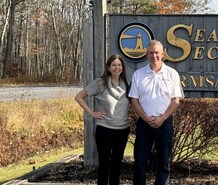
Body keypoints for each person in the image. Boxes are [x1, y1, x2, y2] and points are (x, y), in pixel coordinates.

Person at [129, 40, 184, 185]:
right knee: (140, 162)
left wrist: (162, 118)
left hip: (164, 123)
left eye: (157, 53)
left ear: (163, 54)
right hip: (144, 123)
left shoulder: (172, 74)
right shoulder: (138, 74)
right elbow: (134, 101)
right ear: (146, 55)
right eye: (151, 53)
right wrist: (146, 118)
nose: (154, 56)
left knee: (164, 163)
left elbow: (176, 101)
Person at [75, 54, 131, 185]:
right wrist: (92, 113)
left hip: (122, 130)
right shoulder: (100, 83)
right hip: (105, 130)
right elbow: (78, 96)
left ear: (122, 67)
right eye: (114, 65)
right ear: (108, 67)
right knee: (104, 166)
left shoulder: (127, 84)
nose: (117, 67)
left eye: (119, 65)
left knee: (117, 167)